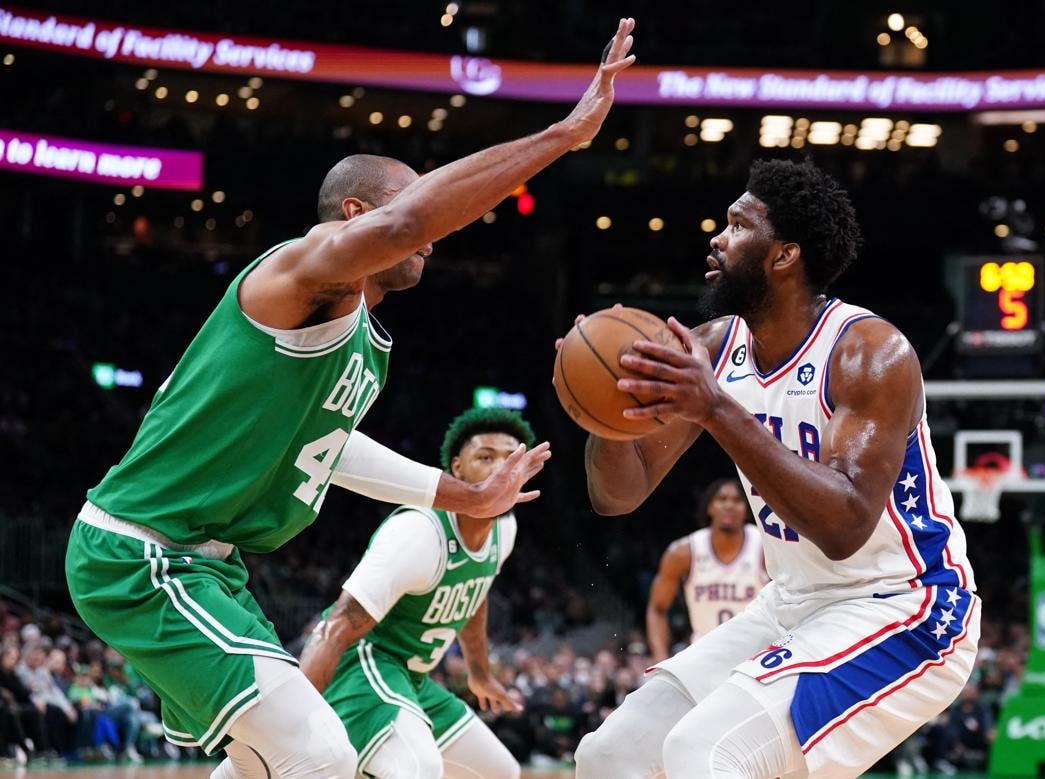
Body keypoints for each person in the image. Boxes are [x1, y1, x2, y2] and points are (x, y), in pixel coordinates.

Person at [65, 18, 636, 779]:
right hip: (145, 551)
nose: (432, 231)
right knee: (319, 750)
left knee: (263, 760)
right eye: (412, 202)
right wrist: (564, 135)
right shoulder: (302, 269)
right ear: (358, 217)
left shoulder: (360, 336)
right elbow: (414, 219)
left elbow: (330, 450)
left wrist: (466, 495)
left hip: (207, 565)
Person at [573, 158, 980, 778]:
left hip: (908, 607)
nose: (717, 237)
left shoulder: (868, 353)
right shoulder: (713, 347)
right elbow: (617, 496)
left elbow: (844, 527)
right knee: (611, 755)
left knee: (705, 751)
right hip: (791, 602)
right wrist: (609, 410)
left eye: (738, 225)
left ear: (785, 255)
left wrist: (716, 408)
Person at [299, 408, 534, 779]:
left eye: (511, 460)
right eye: (486, 458)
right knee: (419, 769)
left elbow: (474, 595)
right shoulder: (420, 532)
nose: (501, 471)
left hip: (411, 679)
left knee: (500, 772)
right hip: (360, 664)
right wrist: (294, 720)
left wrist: (479, 673)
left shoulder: (504, 531)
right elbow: (338, 626)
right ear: (457, 469)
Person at [646, 477, 767, 664]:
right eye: (722, 499)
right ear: (709, 507)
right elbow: (657, 608)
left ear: (746, 508)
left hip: (756, 654)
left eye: (737, 500)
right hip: (704, 654)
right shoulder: (683, 553)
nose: (729, 505)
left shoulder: (765, 546)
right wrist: (659, 656)